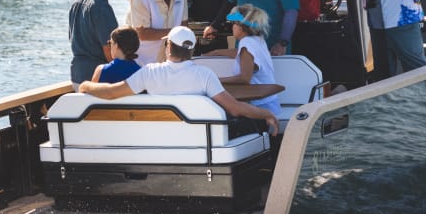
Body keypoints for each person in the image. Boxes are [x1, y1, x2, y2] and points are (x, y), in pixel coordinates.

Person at [79, 26, 279, 136]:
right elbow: (235, 108)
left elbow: (112, 92)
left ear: (167, 46)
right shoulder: (204, 75)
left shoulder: (149, 73)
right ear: (191, 51)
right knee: (253, 127)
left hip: (158, 137)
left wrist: (87, 85)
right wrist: (266, 114)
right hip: (197, 139)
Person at [203, 4, 281, 117]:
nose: (232, 27)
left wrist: (214, 80)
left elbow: (244, 78)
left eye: (234, 23)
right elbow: (241, 53)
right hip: (269, 103)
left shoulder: (246, 43)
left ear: (242, 27)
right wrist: (216, 52)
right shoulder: (257, 40)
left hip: (260, 108)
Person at [68, 0, 120, 88]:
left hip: (77, 75)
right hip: (98, 78)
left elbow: (72, 39)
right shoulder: (101, 7)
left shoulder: (76, 4)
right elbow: (110, 50)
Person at [125, 0, 188, 65]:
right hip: (141, 63)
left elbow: (184, 24)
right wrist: (177, 33)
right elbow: (142, 34)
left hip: (170, 63)